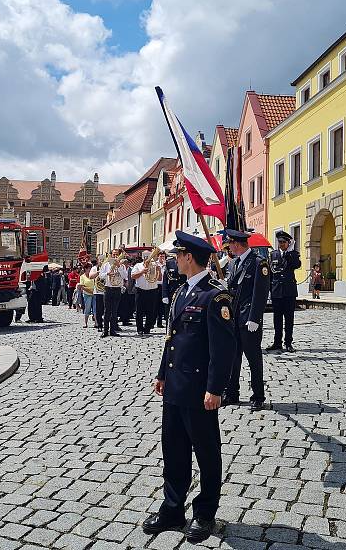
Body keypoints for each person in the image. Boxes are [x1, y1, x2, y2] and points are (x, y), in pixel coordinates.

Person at [144, 231, 235, 543]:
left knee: (207, 452)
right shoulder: (182, 291)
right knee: (174, 450)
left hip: (199, 390)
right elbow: (173, 340)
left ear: (190, 257)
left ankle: (205, 512)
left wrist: (215, 389)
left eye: (178, 254)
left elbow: (223, 349)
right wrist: (162, 374)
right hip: (175, 386)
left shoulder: (215, 296)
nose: (174, 259)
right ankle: (172, 508)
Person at [221, 229, 270, 411]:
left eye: (231, 244)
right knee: (233, 358)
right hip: (233, 318)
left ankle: (258, 395)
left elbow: (261, 292)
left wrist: (255, 317)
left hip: (249, 320)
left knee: (253, 359)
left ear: (238, 244)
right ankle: (232, 393)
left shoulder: (258, 263)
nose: (229, 247)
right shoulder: (233, 263)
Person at [267, 231, 302, 352]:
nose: (281, 244)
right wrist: (270, 289)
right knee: (277, 319)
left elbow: (296, 265)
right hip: (277, 291)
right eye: (280, 242)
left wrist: (289, 254)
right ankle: (277, 342)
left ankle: (288, 342)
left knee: (289, 319)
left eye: (283, 242)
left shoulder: (293, 254)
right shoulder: (273, 255)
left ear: (288, 243)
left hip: (289, 292)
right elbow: (270, 274)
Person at [99, 249, 127, 338]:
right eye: (114, 254)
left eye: (117, 255)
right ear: (111, 255)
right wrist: (108, 273)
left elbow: (125, 276)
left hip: (117, 289)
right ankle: (105, 330)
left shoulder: (122, 266)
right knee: (107, 311)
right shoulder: (106, 264)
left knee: (114, 311)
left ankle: (113, 330)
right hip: (108, 288)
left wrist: (118, 267)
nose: (115, 256)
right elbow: (100, 275)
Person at [131, 251, 159, 336]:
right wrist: (142, 272)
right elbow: (133, 276)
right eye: (146, 257)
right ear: (143, 257)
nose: (147, 258)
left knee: (150, 311)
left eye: (149, 256)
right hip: (140, 290)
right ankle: (139, 329)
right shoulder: (138, 266)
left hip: (152, 290)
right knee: (139, 311)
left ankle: (147, 328)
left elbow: (159, 278)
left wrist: (159, 271)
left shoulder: (154, 265)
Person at [78, 264, 95, 328]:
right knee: (87, 309)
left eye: (91, 268)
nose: (90, 269)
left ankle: (96, 323)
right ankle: (85, 323)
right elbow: (82, 287)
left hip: (94, 294)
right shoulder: (82, 276)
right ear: (85, 269)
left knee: (95, 309)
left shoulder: (93, 276)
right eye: (89, 268)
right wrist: (91, 291)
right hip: (87, 294)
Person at [91, 264, 105, 332]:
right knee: (98, 310)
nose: (102, 261)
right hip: (98, 291)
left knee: (107, 310)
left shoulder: (108, 266)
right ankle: (99, 325)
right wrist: (98, 272)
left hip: (107, 291)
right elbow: (90, 276)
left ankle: (109, 325)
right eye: (100, 260)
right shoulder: (94, 268)